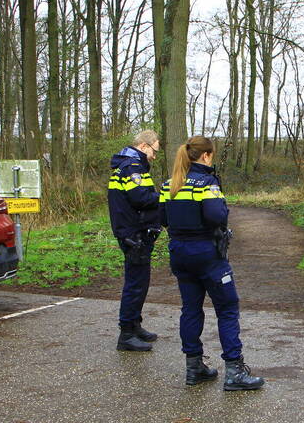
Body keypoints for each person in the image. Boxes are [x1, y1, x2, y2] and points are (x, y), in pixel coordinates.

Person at [159, 136, 264, 391]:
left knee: (191, 309)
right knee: (227, 308)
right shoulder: (207, 183)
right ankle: (234, 372)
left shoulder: (169, 184)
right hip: (207, 254)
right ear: (206, 156)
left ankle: (194, 367)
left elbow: (162, 218)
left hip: (180, 253)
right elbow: (216, 215)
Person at [108, 130, 162, 351]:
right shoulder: (132, 167)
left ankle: (134, 325)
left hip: (135, 231)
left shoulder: (130, 165)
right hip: (134, 234)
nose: (154, 156)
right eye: (153, 151)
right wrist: (166, 196)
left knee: (140, 282)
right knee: (135, 284)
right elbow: (140, 198)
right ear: (143, 146)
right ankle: (126, 334)